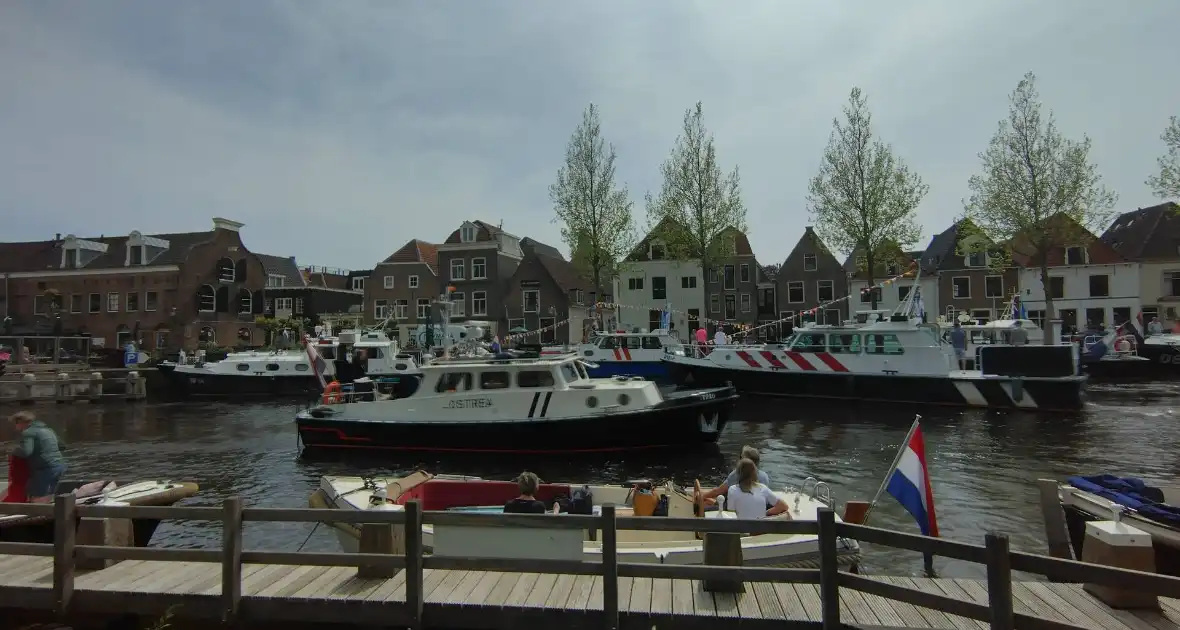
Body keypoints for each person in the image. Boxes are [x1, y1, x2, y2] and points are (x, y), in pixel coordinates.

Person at [9, 411, 66, 503]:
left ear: (21, 422)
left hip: (45, 468)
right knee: (49, 494)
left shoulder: (28, 433)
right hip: (59, 466)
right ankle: (50, 512)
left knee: (36, 496)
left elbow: (26, 452)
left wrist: (13, 451)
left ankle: (34, 515)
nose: (15, 427)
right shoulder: (48, 430)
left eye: (16, 424)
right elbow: (62, 446)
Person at [726, 458, 791, 520]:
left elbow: (731, 513)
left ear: (738, 473)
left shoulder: (732, 490)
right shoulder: (762, 488)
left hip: (742, 529)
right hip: (760, 529)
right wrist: (766, 513)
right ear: (754, 472)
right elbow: (783, 506)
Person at [703, 445, 770, 502]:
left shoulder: (736, 474)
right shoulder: (764, 476)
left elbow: (718, 491)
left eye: (740, 457)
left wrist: (702, 496)